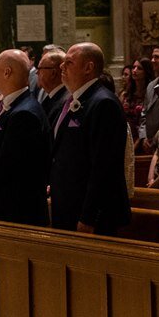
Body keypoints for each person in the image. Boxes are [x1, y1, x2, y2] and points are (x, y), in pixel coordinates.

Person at [49, 42, 129, 234]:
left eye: (69, 62)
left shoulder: (103, 103)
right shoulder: (73, 100)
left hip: (91, 215)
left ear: (88, 67)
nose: (62, 66)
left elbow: (104, 166)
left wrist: (89, 216)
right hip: (69, 207)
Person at [0, 50, 50, 224]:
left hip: (18, 210)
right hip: (0, 204)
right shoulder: (11, 105)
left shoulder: (25, 113)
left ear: (7, 72)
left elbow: (6, 162)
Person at [36, 47, 69, 130]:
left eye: (40, 68)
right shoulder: (53, 97)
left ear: (53, 73)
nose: (37, 72)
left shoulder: (65, 102)